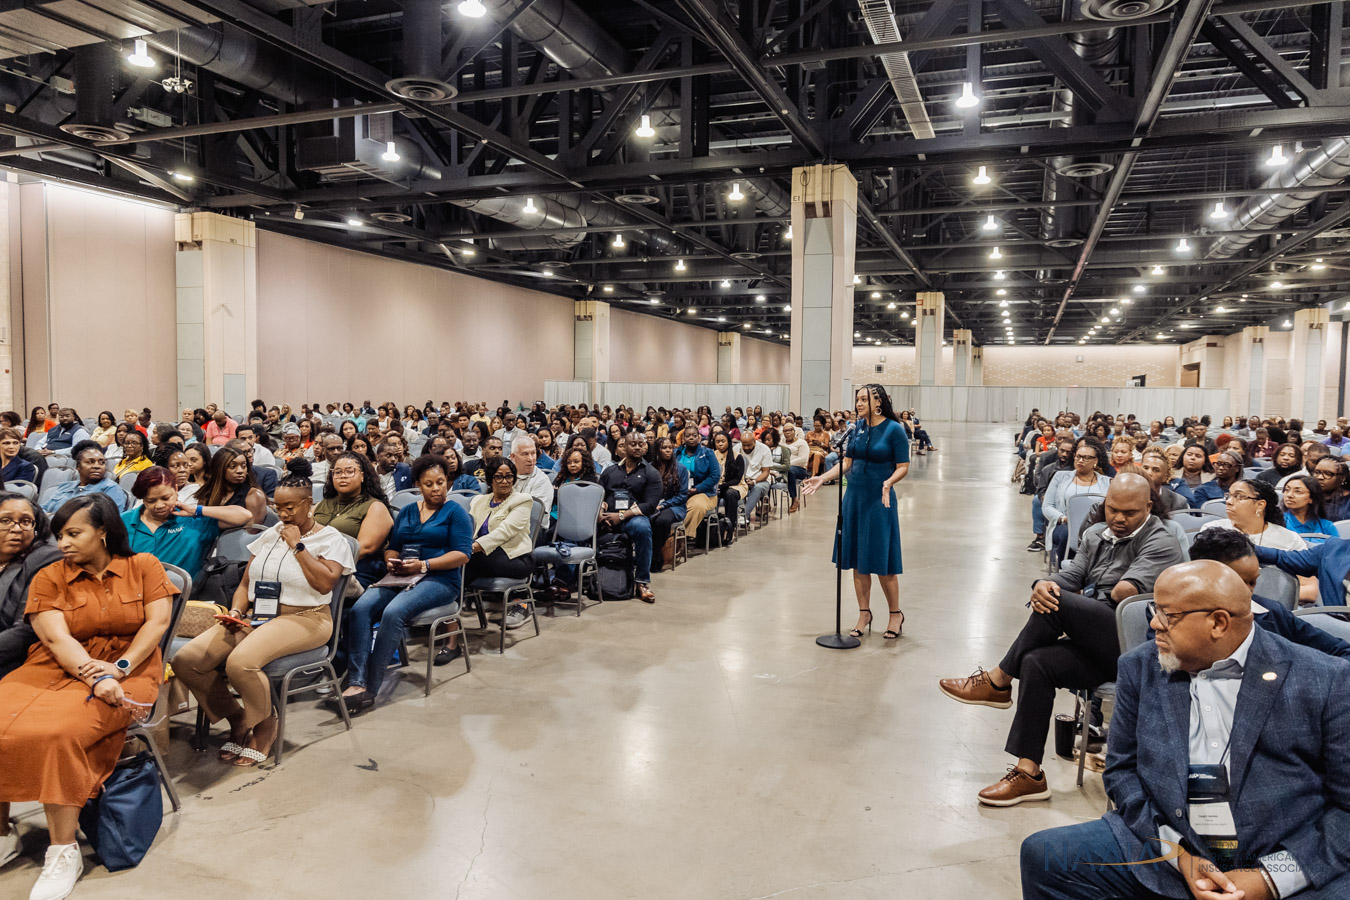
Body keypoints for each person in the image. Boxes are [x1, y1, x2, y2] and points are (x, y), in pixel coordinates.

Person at [1019, 560, 1350, 900]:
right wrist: (1178, 854)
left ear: (1218, 622)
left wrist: (1271, 878)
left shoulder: (1323, 680)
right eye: (1155, 610)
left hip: (1283, 852)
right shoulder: (1140, 666)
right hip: (1170, 844)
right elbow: (1122, 772)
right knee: (1045, 857)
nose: (1153, 623)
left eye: (1168, 615)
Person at [939, 475, 1184, 806]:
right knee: (1036, 662)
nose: (1119, 518)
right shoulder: (1096, 534)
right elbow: (1071, 576)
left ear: (1149, 507)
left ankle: (998, 680)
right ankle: (1029, 774)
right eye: (1112, 509)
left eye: (1130, 513)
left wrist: (1072, 597)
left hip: (1134, 647)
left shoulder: (1161, 541)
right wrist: (1043, 584)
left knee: (1060, 604)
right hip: (1096, 641)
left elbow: (1122, 593)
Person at [0, 495, 175, 900]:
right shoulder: (50, 575)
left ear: (103, 532)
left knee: (57, 734)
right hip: (56, 665)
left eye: (73, 533)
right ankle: (2, 829)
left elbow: (158, 624)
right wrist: (94, 676)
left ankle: (63, 851)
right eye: (59, 534)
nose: (62, 543)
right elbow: (55, 639)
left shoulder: (144, 566)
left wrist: (120, 668)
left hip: (131, 669)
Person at [173, 461, 354, 767]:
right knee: (187, 659)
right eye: (278, 507)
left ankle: (266, 724)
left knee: (240, 662)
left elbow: (325, 583)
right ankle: (238, 718)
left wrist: (298, 545)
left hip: (307, 617)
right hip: (258, 615)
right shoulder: (271, 534)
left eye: (290, 507)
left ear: (309, 503)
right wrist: (236, 611)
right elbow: (246, 583)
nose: (283, 514)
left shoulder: (331, 539)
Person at [339, 454, 472, 712]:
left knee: (393, 612)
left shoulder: (456, 512)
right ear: (418, 485)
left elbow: (463, 554)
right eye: (429, 484)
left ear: (448, 481)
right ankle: (356, 681)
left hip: (440, 579)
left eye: (440, 482)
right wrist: (391, 561)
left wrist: (424, 565)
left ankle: (371, 688)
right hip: (402, 575)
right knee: (361, 608)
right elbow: (393, 547)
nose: (436, 488)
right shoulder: (409, 511)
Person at [802, 385, 911, 640]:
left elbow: (903, 466)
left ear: (879, 402)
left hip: (880, 499)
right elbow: (847, 463)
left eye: (864, 399)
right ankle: (864, 613)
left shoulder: (894, 430)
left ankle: (895, 614)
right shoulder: (857, 428)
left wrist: (889, 481)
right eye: (857, 399)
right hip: (854, 498)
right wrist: (822, 478)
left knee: (883, 560)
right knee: (858, 560)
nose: (859, 403)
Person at [1190, 527, 1350, 657]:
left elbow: (1341, 651)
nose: (1247, 592)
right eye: (1238, 583)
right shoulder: (1181, 620)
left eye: (1253, 582)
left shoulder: (1273, 612)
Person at [468, 457, 538, 626]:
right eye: (499, 476)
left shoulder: (522, 500)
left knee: (464, 561)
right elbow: (468, 528)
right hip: (483, 556)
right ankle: (447, 608)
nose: (505, 481)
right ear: (490, 479)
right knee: (458, 562)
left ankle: (448, 611)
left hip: (516, 558)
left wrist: (472, 548)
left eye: (509, 476)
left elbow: (504, 532)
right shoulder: (478, 501)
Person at [0, 492, 63, 678]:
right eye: (5, 521)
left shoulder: (46, 558)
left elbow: (26, 629)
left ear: (36, 529)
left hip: (11, 659)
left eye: (26, 521)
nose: (16, 528)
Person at [314, 451, 393, 590]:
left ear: (362, 476)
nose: (343, 476)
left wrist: (316, 560)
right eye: (337, 472)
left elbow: (363, 548)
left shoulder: (375, 507)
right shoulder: (323, 503)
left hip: (357, 571)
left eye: (349, 471)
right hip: (317, 566)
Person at [597, 433, 661, 603]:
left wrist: (621, 516)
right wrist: (600, 514)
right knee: (581, 526)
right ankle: (572, 577)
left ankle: (642, 582)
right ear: (624, 447)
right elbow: (599, 494)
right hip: (607, 516)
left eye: (641, 444)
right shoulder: (610, 471)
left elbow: (650, 505)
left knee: (643, 529)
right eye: (633, 444)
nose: (638, 447)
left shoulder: (651, 473)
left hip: (633, 518)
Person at [1041, 437, 1111, 564]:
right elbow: (1047, 506)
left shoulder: (1107, 482)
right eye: (1078, 456)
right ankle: (1066, 567)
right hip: (1065, 525)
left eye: (1086, 457)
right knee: (1067, 534)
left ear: (1095, 461)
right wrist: (1063, 518)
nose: (1080, 460)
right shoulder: (1060, 477)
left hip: (1097, 526)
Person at [1200, 478, 1308, 551]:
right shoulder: (1212, 530)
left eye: (1239, 496)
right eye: (1229, 496)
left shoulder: (1290, 539)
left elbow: (1306, 577)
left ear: (1260, 505)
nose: (1228, 501)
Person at [40, 441, 127, 513]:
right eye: (90, 462)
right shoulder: (65, 487)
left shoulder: (110, 489)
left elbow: (111, 521)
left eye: (102, 462)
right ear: (78, 466)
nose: (97, 466)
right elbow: (43, 510)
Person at [200, 445, 268, 525]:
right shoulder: (207, 493)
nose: (240, 471)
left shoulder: (255, 495)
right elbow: (200, 523)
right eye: (232, 466)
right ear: (219, 469)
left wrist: (215, 526)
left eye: (244, 466)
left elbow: (252, 529)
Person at [649, 437, 688, 574]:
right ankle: (648, 555)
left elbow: (682, 496)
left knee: (661, 521)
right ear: (657, 450)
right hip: (653, 505)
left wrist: (663, 505)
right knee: (645, 520)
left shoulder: (681, 469)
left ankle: (655, 557)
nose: (668, 450)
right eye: (664, 448)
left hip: (675, 506)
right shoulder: (650, 468)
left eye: (670, 448)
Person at [675, 425, 719, 537]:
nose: (691, 438)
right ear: (683, 438)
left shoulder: (708, 453)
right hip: (679, 492)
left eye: (694, 435)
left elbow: (715, 476)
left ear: (699, 437)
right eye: (688, 436)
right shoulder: (676, 454)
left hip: (704, 493)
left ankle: (681, 536)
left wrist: (697, 489)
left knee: (696, 506)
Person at [711, 432, 745, 535]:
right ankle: (710, 528)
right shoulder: (711, 455)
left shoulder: (737, 456)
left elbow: (737, 479)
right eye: (717, 442)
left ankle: (730, 528)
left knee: (730, 494)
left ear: (728, 442)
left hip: (735, 486)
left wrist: (722, 486)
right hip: (716, 486)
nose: (720, 444)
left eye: (723, 441)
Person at [510, 438, 554, 512]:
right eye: (525, 454)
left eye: (533, 453)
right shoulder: (506, 475)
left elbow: (533, 514)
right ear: (513, 457)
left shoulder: (542, 481)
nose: (530, 459)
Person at [780, 422, 810, 514]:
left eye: (790, 430)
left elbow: (803, 459)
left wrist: (788, 464)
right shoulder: (781, 442)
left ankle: (794, 499)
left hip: (799, 469)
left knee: (790, 471)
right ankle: (766, 503)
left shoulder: (802, 443)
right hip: (782, 468)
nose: (787, 432)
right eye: (785, 430)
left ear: (794, 431)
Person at [1312, 455, 1350, 520]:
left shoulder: (1348, 501)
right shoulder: (1308, 496)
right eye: (1317, 472)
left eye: (1328, 473)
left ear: (1342, 478)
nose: (1320, 477)